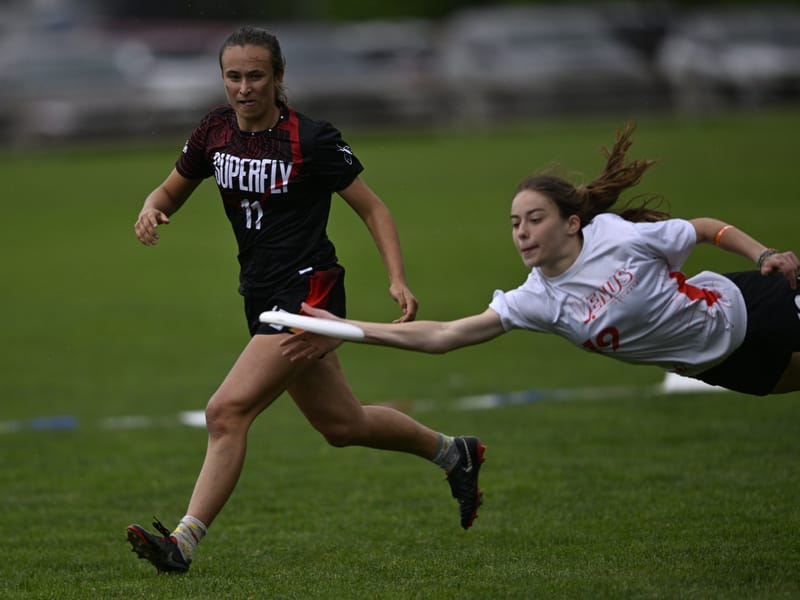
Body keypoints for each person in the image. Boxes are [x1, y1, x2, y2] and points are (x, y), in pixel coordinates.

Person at [126, 26, 486, 575]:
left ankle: (183, 542)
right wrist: (151, 208)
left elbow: (374, 209)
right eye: (233, 76)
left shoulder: (310, 139)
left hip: (308, 294)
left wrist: (397, 279)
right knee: (342, 426)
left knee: (226, 412)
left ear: (278, 77)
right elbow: (170, 189)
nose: (244, 88)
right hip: (261, 295)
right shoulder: (214, 131)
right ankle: (454, 453)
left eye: (256, 76)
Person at [281, 122, 800, 397]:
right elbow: (444, 336)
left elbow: (708, 230)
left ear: (571, 223)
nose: (522, 232)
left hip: (755, 305)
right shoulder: (538, 301)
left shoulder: (615, 236)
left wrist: (765, 254)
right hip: (723, 366)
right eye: (514, 224)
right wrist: (347, 328)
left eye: (534, 219)